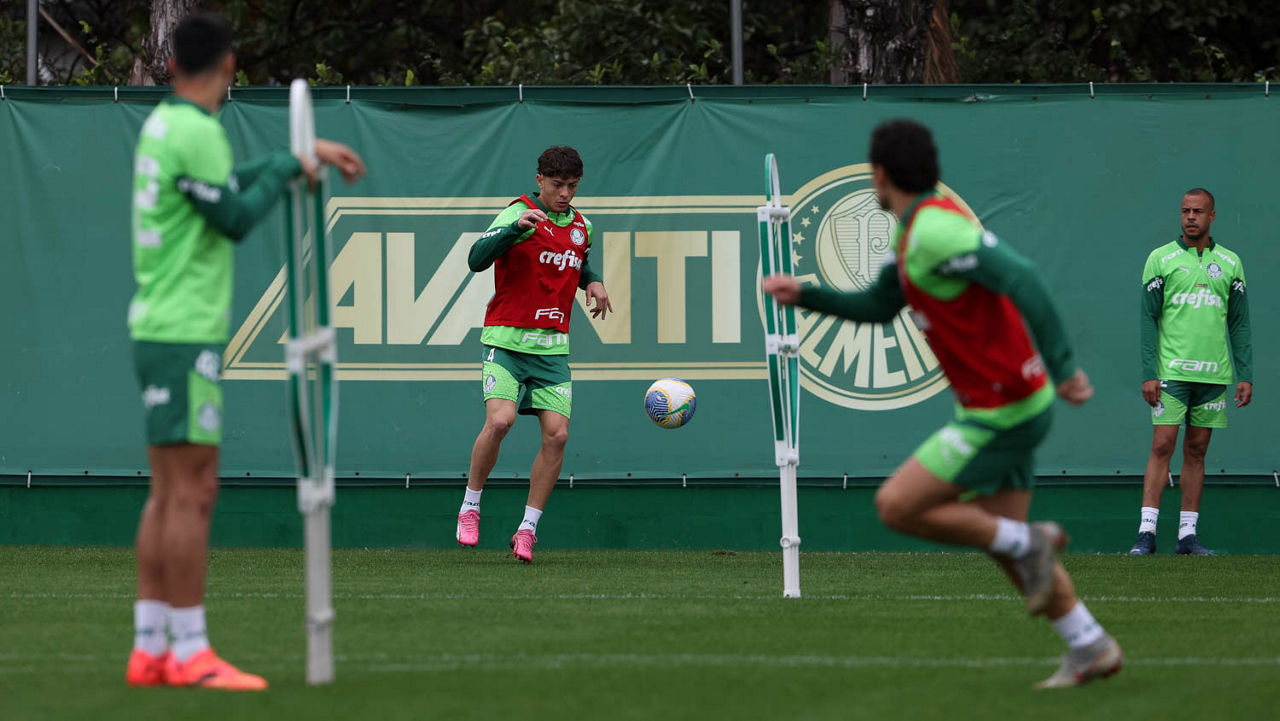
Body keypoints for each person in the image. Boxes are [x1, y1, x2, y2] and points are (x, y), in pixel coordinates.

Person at [762, 119, 1121, 689]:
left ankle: (1032, 543)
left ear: (881, 173)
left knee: (897, 506)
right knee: (1005, 544)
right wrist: (805, 293)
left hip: (1004, 412)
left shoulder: (934, 230)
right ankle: (1089, 644)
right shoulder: (913, 232)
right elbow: (881, 306)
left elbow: (1023, 278)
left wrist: (1064, 367)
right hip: (1010, 406)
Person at [125, 11, 365, 690]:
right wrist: (291, 163)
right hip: (183, 333)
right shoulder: (197, 132)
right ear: (230, 66)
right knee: (192, 491)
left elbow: (224, 188)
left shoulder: (166, 124)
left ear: (173, 66)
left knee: (168, 493)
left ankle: (150, 647)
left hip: (161, 328)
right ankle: (189, 651)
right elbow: (233, 216)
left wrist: (297, 156)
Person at [454, 146, 611, 564]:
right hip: (506, 341)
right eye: (557, 185)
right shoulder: (518, 212)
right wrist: (513, 230)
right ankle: (470, 506)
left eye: (572, 186)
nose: (565, 194)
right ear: (539, 180)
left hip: (552, 348)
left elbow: (579, 261)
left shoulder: (582, 226)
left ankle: (527, 529)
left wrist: (593, 281)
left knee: (558, 436)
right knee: (500, 421)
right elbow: (475, 260)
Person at [1129, 189, 1252, 556]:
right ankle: (1146, 533)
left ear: (1212, 215)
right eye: (1185, 211)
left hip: (1214, 375)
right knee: (1162, 445)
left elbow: (1239, 323)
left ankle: (1187, 536)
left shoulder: (1230, 262)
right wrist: (1149, 372)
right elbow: (1148, 319)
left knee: (1197, 451)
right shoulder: (1161, 259)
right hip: (1171, 372)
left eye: (1198, 211)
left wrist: (1245, 373)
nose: (1191, 217)